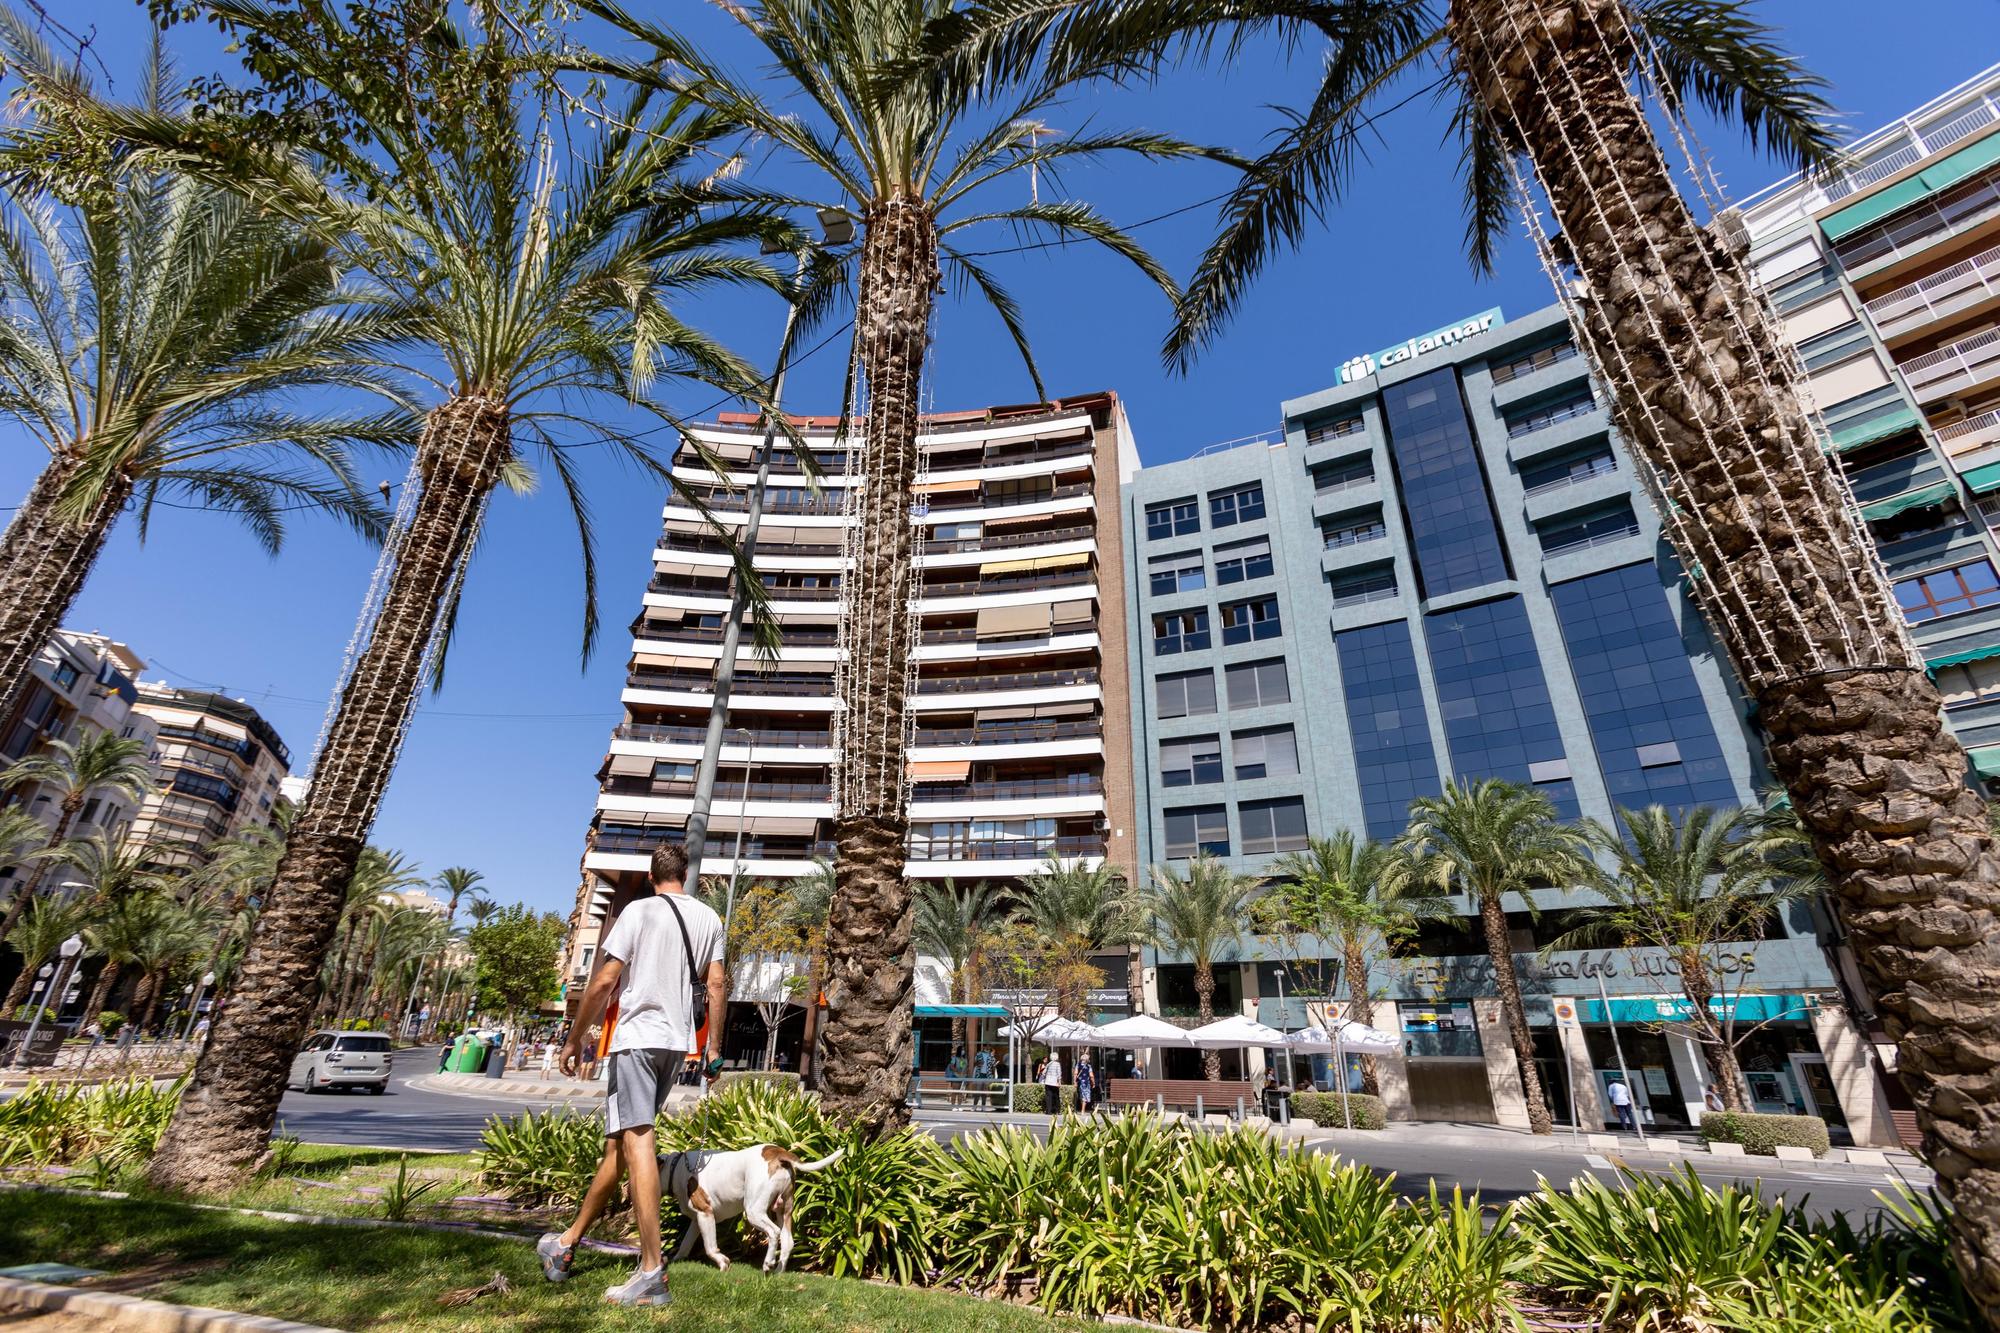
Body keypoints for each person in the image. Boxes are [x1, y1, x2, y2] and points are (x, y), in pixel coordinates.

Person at [537, 844, 725, 1307]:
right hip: (675, 1045)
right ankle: (566, 1244)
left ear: (650, 874)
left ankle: (651, 1271)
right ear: (685, 874)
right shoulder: (709, 919)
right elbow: (718, 983)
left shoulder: (638, 911)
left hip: (638, 1038)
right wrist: (713, 1047)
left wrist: (574, 1038)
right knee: (618, 1149)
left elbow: (604, 980)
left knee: (639, 1141)